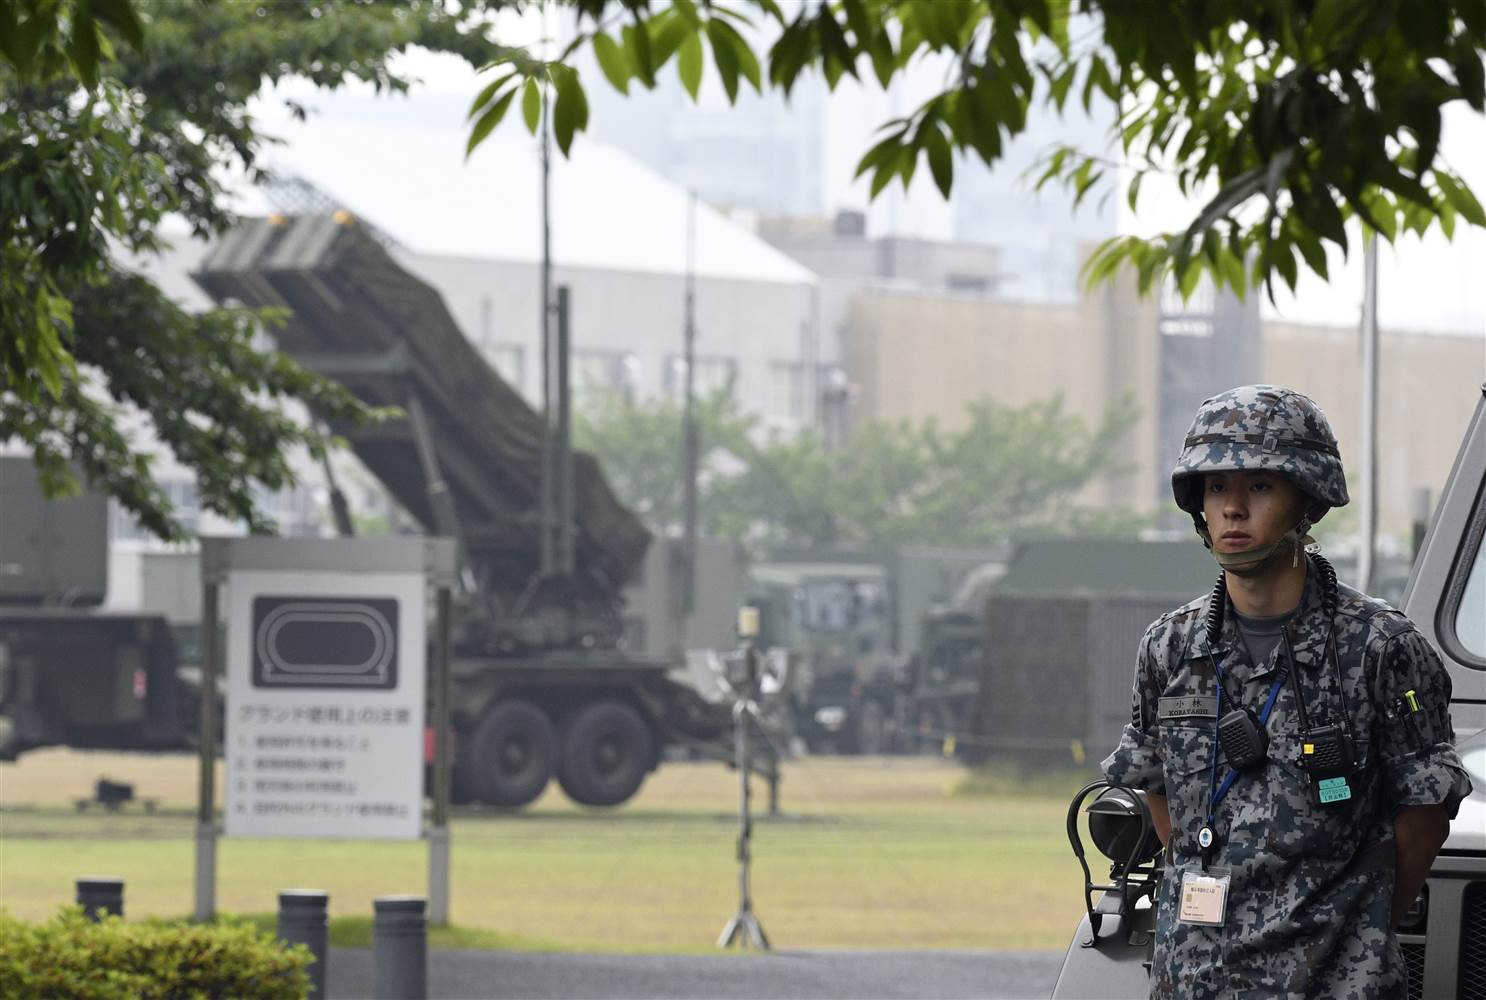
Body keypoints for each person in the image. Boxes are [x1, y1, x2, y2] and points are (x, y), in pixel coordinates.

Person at [1102, 385, 1472, 999]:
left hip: (1331, 983)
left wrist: (1356, 929)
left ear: (1308, 500)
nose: (1234, 510)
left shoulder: (1379, 648)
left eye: (1261, 487)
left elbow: (1423, 821)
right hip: (1194, 979)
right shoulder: (1170, 647)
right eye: (1217, 488)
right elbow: (1157, 787)